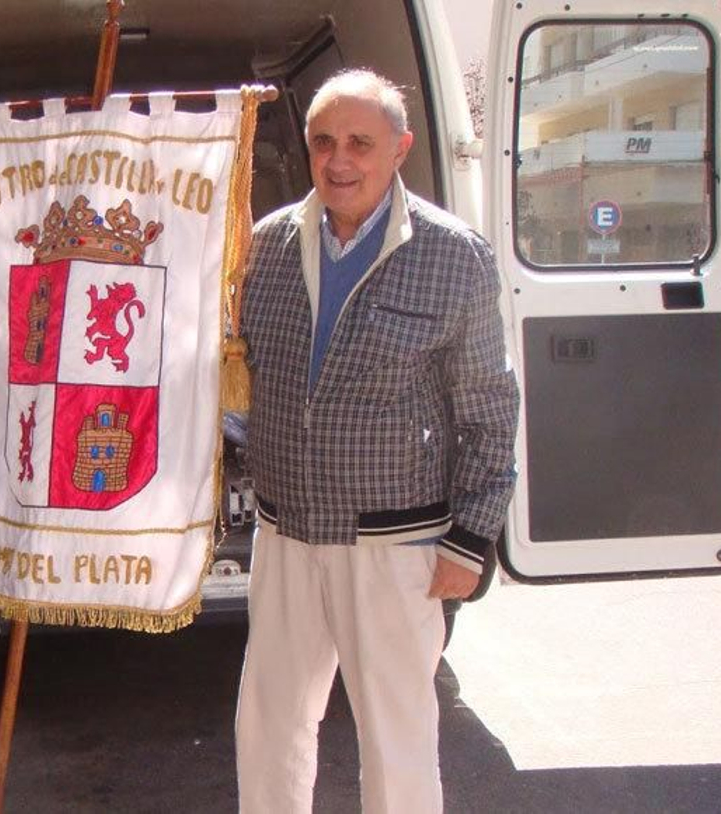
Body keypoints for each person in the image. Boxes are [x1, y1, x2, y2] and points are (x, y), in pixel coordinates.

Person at [235, 69, 520, 813]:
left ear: (400, 148)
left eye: (360, 142)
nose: (339, 161)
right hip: (286, 533)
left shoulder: (454, 255)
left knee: (396, 738)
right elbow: (242, 375)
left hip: (395, 548)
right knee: (270, 726)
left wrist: (472, 538)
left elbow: (490, 405)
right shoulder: (263, 247)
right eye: (323, 141)